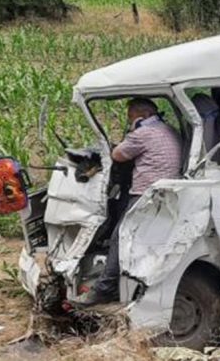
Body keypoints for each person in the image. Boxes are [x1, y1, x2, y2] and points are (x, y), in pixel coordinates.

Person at [76, 98, 182, 306]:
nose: (130, 121)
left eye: (131, 118)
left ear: (140, 117)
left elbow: (117, 155)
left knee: (120, 236)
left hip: (146, 194)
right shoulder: (167, 130)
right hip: (166, 192)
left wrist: (132, 130)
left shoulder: (142, 134)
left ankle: (105, 288)